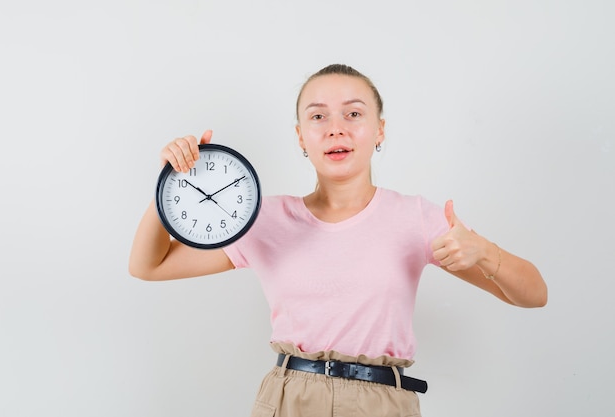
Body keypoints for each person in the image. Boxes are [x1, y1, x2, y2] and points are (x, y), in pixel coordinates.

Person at [129, 63, 547, 417]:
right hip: (289, 397)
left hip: (382, 402)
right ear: (300, 137)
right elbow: (149, 266)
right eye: (318, 117)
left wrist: (486, 253)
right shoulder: (264, 218)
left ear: (379, 130)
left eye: (353, 114)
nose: (335, 130)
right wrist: (171, 180)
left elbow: (533, 294)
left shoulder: (416, 217)